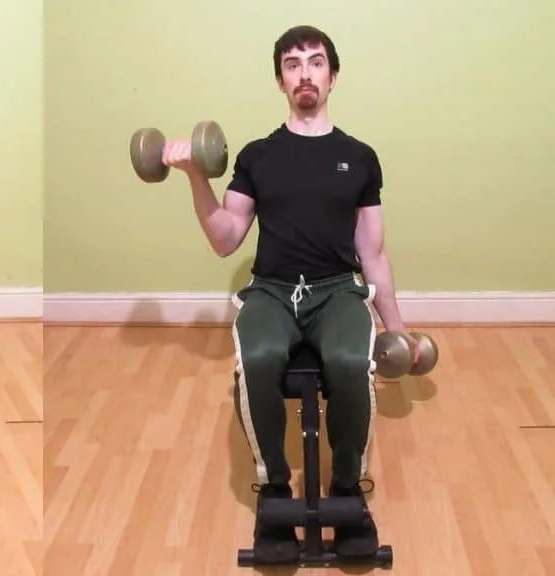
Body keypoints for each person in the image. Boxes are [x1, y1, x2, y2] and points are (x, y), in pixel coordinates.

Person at [164, 25, 414, 562]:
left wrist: (397, 330)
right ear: (280, 80)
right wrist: (193, 176)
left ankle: (347, 486)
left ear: (333, 77)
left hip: (337, 292)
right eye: (294, 64)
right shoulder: (258, 155)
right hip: (273, 291)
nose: (305, 73)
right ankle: (274, 487)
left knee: (351, 359)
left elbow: (373, 252)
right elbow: (226, 239)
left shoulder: (360, 156)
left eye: (316, 62)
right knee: (258, 356)